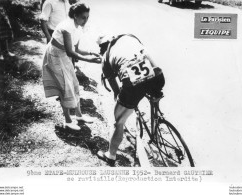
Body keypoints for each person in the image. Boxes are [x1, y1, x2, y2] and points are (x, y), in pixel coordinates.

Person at [96, 34, 165, 166]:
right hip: (158, 76)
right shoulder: (128, 37)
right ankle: (156, 123)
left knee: (118, 121)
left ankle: (110, 156)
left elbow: (116, 90)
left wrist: (120, 99)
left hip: (133, 84)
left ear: (102, 48)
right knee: (151, 89)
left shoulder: (105, 58)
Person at [42, 2, 102, 130]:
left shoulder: (78, 27)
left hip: (64, 56)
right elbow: (70, 51)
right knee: (65, 88)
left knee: (74, 84)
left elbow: (76, 49)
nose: (85, 20)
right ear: (75, 16)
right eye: (83, 17)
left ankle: (79, 116)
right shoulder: (66, 27)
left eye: (87, 17)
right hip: (56, 56)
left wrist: (91, 53)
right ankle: (68, 120)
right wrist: (90, 60)